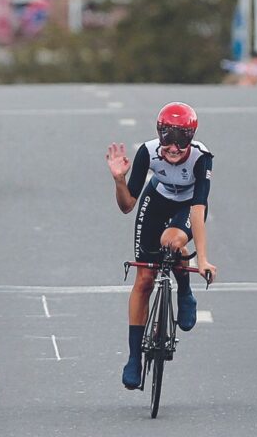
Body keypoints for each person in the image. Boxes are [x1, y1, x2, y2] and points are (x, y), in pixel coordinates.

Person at [105, 102, 218, 391]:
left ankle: (185, 292)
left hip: (187, 206)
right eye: (168, 137)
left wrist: (202, 259)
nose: (174, 147)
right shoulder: (148, 152)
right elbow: (127, 206)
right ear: (159, 135)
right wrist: (119, 181)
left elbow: (198, 209)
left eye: (182, 139)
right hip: (156, 200)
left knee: (171, 240)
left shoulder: (201, 158)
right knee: (144, 278)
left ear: (191, 138)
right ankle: (134, 358)